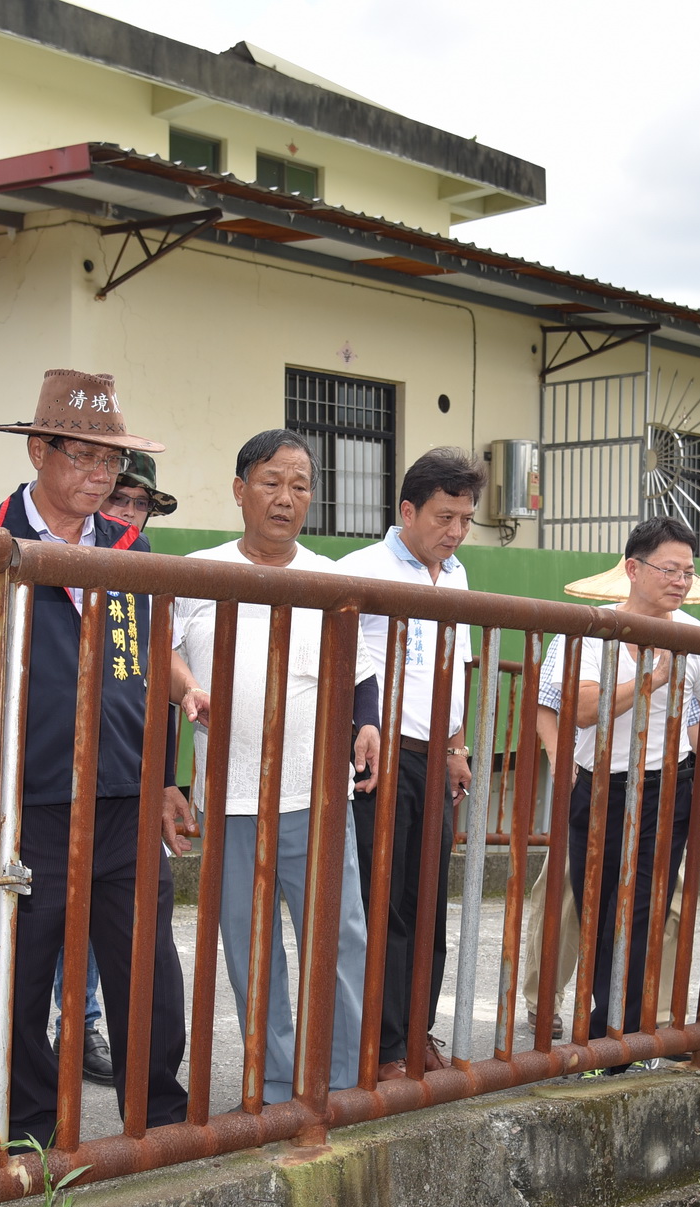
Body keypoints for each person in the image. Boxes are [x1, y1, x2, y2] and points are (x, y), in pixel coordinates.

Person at [0, 370, 191, 1144]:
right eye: (84, 456)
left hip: (124, 794)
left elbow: (150, 664)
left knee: (146, 968)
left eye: (111, 460)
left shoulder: (131, 547)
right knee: (21, 972)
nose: (101, 475)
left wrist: (171, 762)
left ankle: (157, 1119)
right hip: (20, 800)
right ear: (39, 451)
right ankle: (29, 1135)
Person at [174, 429, 377, 1104]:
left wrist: (368, 721)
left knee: (339, 940)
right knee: (251, 948)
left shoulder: (329, 579)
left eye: (299, 485)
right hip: (231, 798)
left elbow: (361, 671)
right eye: (271, 482)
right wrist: (187, 687)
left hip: (316, 794)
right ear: (240, 491)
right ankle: (274, 1082)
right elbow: (163, 654)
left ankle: (339, 1084)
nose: (286, 498)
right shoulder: (199, 572)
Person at [537, 518, 700, 1062]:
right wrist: (651, 679)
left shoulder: (697, 636)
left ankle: (621, 1034)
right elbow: (579, 709)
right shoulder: (592, 630)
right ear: (633, 569)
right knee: (597, 907)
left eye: (688, 572)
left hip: (670, 787)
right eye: (669, 570)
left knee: (646, 909)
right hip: (601, 790)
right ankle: (605, 1029)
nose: (680, 582)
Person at [334, 448, 480, 1080]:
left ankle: (416, 1032)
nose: (456, 532)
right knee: (382, 901)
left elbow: (456, 668)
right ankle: (381, 1045)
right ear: (408, 511)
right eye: (445, 517)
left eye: (466, 519)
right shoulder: (360, 570)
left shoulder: (457, 576)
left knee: (428, 903)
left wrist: (455, 747)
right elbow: (342, 664)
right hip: (380, 756)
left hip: (432, 758)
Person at [47, 447, 179, 1086]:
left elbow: (154, 673)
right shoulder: (25, 540)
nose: (125, 510)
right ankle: (55, 1047)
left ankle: (93, 1032)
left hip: (124, 777)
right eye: (118, 498)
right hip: (44, 779)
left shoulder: (139, 561)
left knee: (127, 929)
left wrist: (166, 778)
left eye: (138, 503)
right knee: (44, 927)